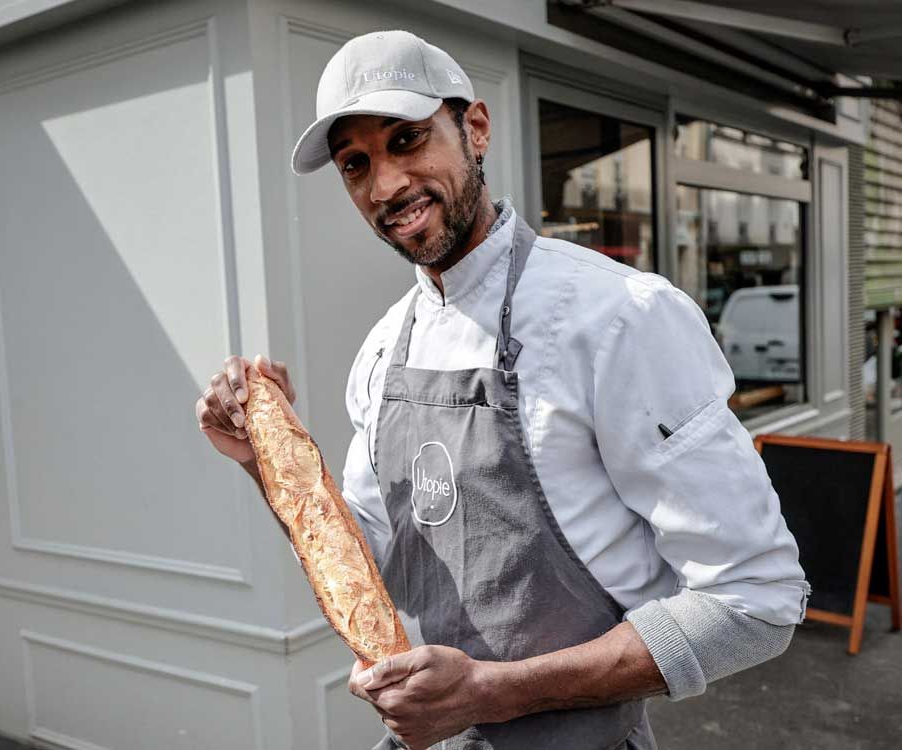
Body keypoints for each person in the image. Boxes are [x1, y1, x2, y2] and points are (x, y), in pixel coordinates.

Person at [195, 29, 809, 750]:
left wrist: (489, 693)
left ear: (475, 128)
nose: (385, 184)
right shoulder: (384, 348)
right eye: (356, 163)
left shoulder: (618, 318)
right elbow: (367, 564)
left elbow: (757, 600)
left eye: (408, 139)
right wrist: (263, 463)